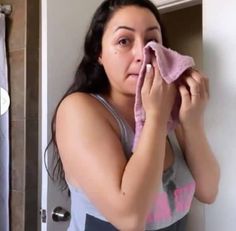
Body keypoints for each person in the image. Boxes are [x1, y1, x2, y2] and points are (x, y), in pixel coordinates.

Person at [46, 0, 220, 230]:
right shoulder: (78, 109)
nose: (142, 54)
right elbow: (130, 219)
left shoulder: (171, 110)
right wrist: (155, 117)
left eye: (151, 41)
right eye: (124, 41)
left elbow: (208, 191)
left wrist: (192, 122)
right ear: (99, 53)